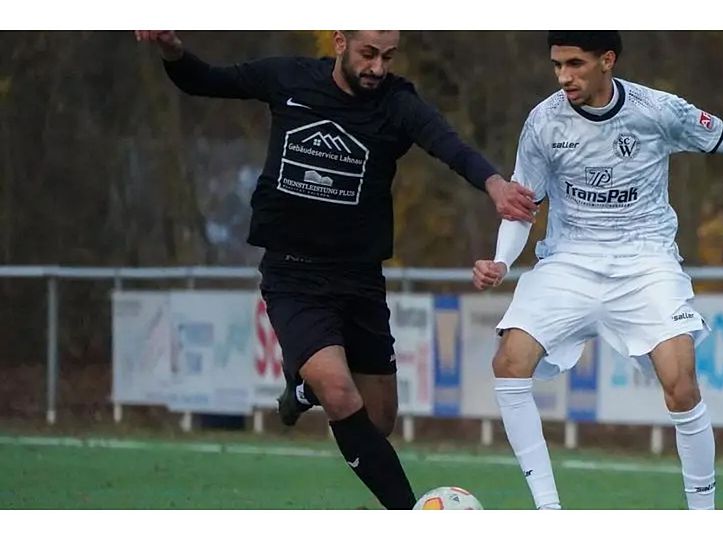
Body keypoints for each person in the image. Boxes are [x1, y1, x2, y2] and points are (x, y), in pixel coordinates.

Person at [134, 30, 536, 510]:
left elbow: (447, 144)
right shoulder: (289, 78)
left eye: (387, 57)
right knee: (342, 396)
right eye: (368, 54)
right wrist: (171, 49)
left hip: (360, 279)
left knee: (378, 420)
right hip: (293, 275)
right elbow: (203, 81)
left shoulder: (395, 102)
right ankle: (408, 515)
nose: (377, 68)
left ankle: (304, 385)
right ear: (340, 42)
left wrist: (493, 184)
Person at [471, 31, 723, 510]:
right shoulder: (543, 122)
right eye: (557, 65)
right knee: (509, 363)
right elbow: (521, 204)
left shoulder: (657, 110)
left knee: (681, 381)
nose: (563, 76)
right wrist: (502, 261)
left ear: (607, 61)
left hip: (645, 261)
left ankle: (703, 515)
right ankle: (548, 512)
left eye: (575, 64)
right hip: (570, 261)